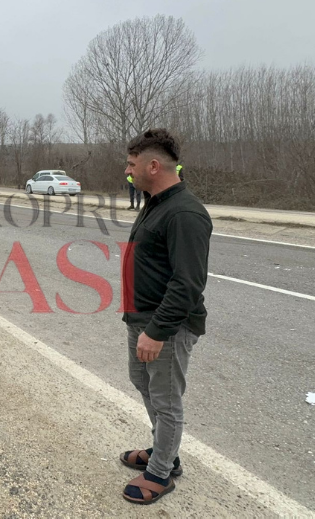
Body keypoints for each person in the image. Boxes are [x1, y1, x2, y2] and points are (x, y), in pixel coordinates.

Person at [119, 129, 212, 505]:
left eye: (132, 164)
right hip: (142, 320)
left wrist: (157, 331)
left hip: (166, 328)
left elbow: (187, 283)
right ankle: (164, 451)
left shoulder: (185, 213)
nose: (127, 171)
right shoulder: (156, 201)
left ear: (153, 166)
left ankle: (162, 471)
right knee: (143, 383)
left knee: (167, 399)